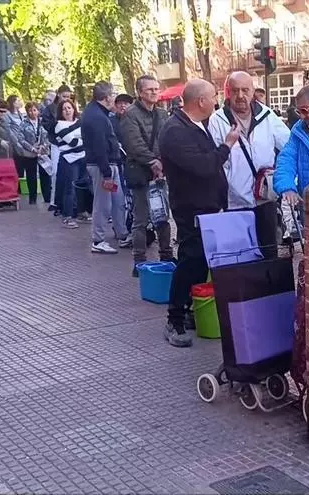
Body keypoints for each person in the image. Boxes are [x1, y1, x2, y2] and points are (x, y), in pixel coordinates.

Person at [158, 78, 240, 348]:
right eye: (213, 97)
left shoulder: (195, 126)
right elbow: (204, 166)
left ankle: (192, 310)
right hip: (191, 208)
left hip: (208, 206)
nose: (217, 102)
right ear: (201, 101)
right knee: (189, 261)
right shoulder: (175, 131)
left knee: (202, 261)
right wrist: (227, 146)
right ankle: (175, 319)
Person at [207, 71, 290, 259]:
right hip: (234, 202)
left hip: (265, 199)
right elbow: (214, 160)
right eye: (235, 91)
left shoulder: (267, 115)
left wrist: (282, 176)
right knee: (240, 257)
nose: (240, 96)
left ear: (253, 91)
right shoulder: (217, 120)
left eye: (245, 90)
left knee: (269, 253)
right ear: (227, 93)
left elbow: (288, 146)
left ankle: (269, 289)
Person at [119, 75, 175, 276]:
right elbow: (133, 144)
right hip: (141, 172)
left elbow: (167, 138)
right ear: (140, 92)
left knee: (162, 216)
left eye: (156, 88)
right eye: (149, 89)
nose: (154, 92)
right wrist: (153, 161)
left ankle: (166, 255)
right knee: (141, 219)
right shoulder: (130, 115)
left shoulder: (162, 114)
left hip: (159, 172)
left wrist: (162, 162)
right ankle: (139, 261)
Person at [81, 81, 130, 253]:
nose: (115, 98)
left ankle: (122, 234)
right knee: (103, 204)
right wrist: (107, 171)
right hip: (103, 165)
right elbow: (99, 146)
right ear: (107, 97)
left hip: (108, 163)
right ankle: (98, 240)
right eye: (113, 94)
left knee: (117, 201)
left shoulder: (97, 113)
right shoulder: (96, 117)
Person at [42, 84, 73, 212]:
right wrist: (57, 125)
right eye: (64, 96)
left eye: (68, 96)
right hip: (56, 143)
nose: (66, 98)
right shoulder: (50, 109)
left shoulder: (71, 107)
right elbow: (46, 124)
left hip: (70, 143)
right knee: (55, 171)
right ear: (58, 95)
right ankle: (54, 200)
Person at [12, 102, 51, 205]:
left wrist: (44, 145)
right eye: (30, 110)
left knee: (45, 174)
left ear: (38, 111)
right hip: (29, 153)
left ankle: (47, 196)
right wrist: (31, 148)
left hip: (43, 152)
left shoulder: (43, 122)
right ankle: (32, 197)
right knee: (31, 175)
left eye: (34, 110)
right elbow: (20, 138)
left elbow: (48, 136)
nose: (33, 113)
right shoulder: (23, 123)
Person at [55, 100, 85, 228]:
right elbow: (72, 142)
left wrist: (79, 137)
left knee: (82, 187)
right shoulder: (59, 125)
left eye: (69, 108)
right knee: (70, 188)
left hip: (83, 158)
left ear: (74, 109)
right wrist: (82, 138)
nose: (67, 110)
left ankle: (80, 211)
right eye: (64, 109)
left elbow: (88, 137)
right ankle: (67, 216)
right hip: (69, 160)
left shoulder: (80, 122)